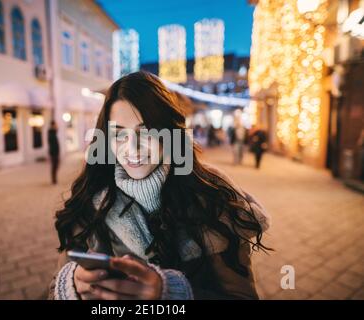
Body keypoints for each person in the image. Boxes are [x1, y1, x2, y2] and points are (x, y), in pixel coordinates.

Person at [49, 71, 271, 300]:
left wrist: (172, 294)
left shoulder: (211, 195)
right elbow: (54, 287)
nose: (132, 148)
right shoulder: (90, 198)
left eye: (145, 132)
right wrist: (72, 286)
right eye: (119, 135)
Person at [47, 120, 60, 184]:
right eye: (55, 125)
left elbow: (57, 130)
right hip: (54, 152)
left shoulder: (52, 132)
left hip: (55, 152)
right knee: (54, 166)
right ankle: (54, 180)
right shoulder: (51, 133)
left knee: (56, 166)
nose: (56, 126)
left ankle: (54, 179)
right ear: (52, 125)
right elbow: (52, 144)